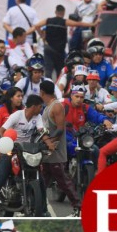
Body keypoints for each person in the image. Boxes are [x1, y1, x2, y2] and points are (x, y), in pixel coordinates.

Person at [0, 95, 55, 217]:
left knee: (40, 180)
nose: (41, 109)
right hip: (11, 149)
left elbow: (42, 131)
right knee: (1, 178)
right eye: (40, 107)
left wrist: (49, 143)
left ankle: (44, 211)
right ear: (34, 107)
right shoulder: (17, 115)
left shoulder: (38, 117)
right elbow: (2, 130)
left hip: (28, 150)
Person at [38, 80, 80, 217]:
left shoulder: (56, 107)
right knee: (42, 181)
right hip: (47, 150)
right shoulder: (48, 106)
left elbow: (60, 129)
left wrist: (50, 141)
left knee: (63, 181)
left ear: (42, 92)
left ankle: (79, 208)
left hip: (55, 150)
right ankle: (37, 207)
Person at [29, 5, 96, 80]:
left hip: (48, 49)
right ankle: (58, 87)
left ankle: (46, 86)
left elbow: (37, 26)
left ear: (55, 12)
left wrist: (42, 35)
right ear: (64, 13)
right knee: (60, 71)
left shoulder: (48, 20)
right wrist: (92, 24)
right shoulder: (64, 22)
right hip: (59, 51)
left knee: (48, 71)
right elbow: (78, 24)